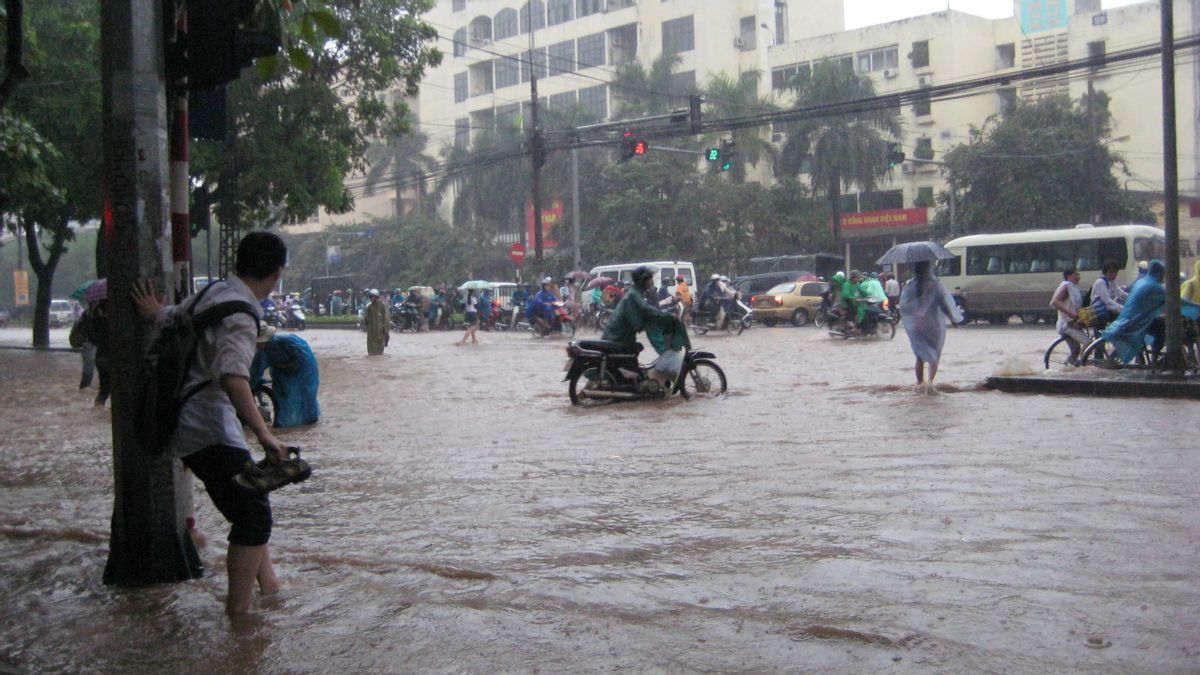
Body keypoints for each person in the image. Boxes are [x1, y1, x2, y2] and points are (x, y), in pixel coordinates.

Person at [131, 230, 289, 617]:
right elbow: (233, 376)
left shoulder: (215, 292)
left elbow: (174, 317)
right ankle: (239, 615)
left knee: (251, 497)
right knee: (253, 514)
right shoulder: (242, 314)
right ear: (276, 273)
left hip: (187, 420)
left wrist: (153, 313)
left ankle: (270, 588)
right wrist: (265, 433)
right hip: (207, 425)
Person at [900, 260, 964, 389]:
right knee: (934, 356)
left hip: (917, 325)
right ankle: (929, 383)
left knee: (919, 356)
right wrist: (953, 319)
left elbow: (904, 306)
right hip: (933, 325)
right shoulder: (935, 286)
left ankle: (919, 384)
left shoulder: (910, 286)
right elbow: (945, 304)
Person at [602, 265, 691, 356]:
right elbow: (647, 310)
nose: (652, 281)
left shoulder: (638, 293)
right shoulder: (633, 295)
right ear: (643, 280)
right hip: (617, 338)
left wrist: (664, 315)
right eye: (650, 279)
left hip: (623, 337)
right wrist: (668, 316)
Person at [250, 329, 320, 428]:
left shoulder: (274, 345)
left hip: (303, 370)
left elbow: (256, 371)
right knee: (286, 397)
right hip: (286, 370)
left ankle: (303, 423)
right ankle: (291, 424)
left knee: (304, 396)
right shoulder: (266, 348)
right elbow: (256, 369)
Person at [1050, 268, 1088, 365]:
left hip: (1072, 324)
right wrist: (1071, 315)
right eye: (1076, 274)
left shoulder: (1074, 288)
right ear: (1069, 276)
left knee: (1075, 350)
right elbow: (1054, 302)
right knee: (1088, 343)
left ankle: (1067, 370)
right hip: (1067, 325)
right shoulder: (1066, 286)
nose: (1078, 277)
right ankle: (1084, 364)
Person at [1090, 259, 1129, 323]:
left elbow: (1121, 293)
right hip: (1099, 312)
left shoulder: (1111, 282)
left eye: (1115, 272)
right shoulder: (1100, 282)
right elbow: (1107, 301)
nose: (1114, 275)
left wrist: (1132, 298)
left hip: (1106, 311)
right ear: (1105, 272)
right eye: (1111, 272)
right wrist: (1122, 308)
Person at [365, 289, 389, 355]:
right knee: (371, 352)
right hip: (371, 332)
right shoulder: (369, 307)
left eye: (372, 297)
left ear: (376, 297)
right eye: (370, 297)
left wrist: (386, 330)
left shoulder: (382, 306)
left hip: (380, 332)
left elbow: (386, 319)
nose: (370, 298)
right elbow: (366, 319)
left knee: (380, 352)